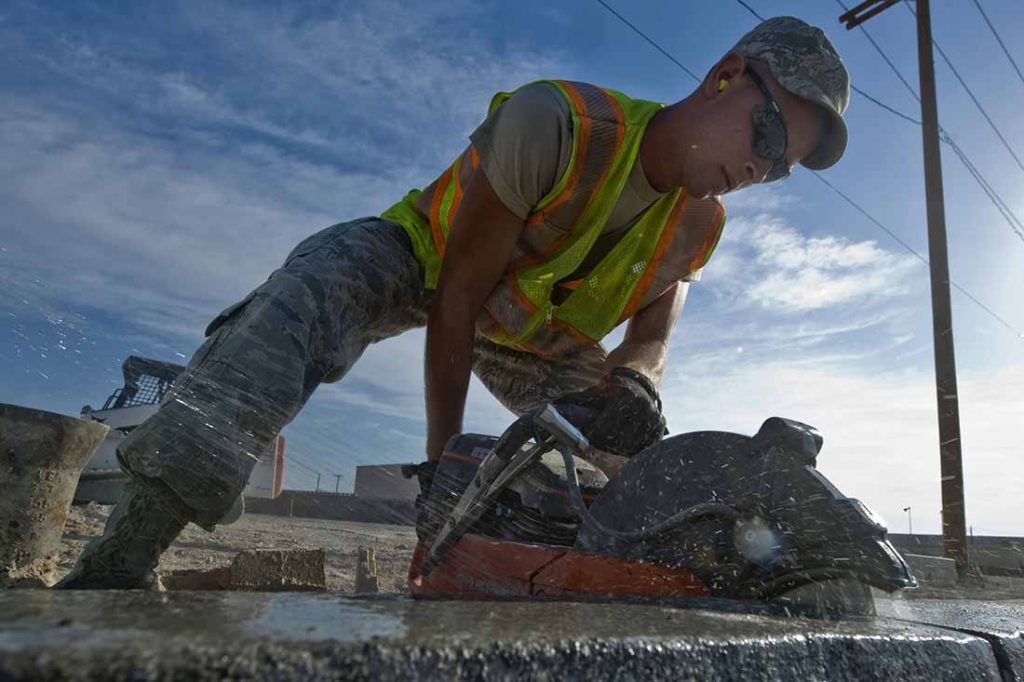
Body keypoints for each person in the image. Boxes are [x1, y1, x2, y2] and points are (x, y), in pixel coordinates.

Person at [58, 16, 851, 589]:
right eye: (770, 139)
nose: (762, 170)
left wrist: (637, 381)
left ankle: (608, 582)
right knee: (307, 296)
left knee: (640, 461)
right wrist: (443, 473)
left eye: (781, 169)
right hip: (426, 264)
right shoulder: (560, 123)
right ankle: (122, 555)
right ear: (725, 77)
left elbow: (653, 333)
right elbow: (458, 296)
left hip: (534, 334)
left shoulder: (702, 222)